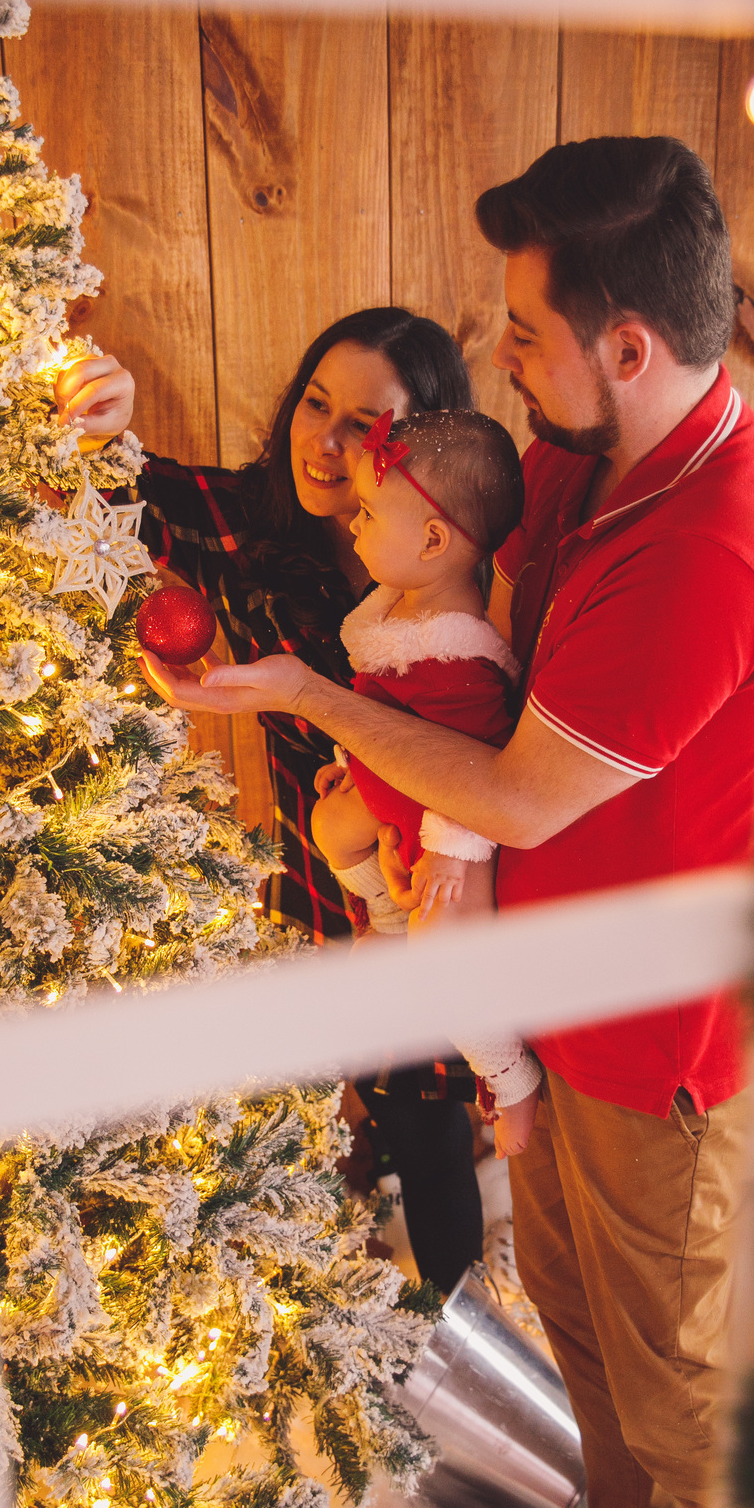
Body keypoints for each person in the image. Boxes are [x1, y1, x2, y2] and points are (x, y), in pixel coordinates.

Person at [138, 137, 754, 1508]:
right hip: (542, 998)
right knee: (572, 1314)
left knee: (669, 1365)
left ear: (628, 346)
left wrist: (311, 701)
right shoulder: (582, 453)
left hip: (646, 1035)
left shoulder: (709, 549)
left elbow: (512, 791)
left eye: (523, 331)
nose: (494, 354)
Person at [54, 308, 486, 1296]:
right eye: (314, 405)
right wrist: (102, 421)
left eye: (362, 423)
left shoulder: (461, 563)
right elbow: (118, 491)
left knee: (428, 1113)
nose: (324, 443)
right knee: (350, 1099)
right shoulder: (248, 522)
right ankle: (358, 1288)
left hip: (441, 884)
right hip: (321, 882)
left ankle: (464, 1330)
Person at [310, 408, 542, 1155]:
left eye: (371, 512)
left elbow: (473, 757)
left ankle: (509, 1082)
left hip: (452, 833)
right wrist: (350, 766)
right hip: (396, 802)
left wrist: (445, 851)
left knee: (445, 955)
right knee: (331, 824)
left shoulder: (456, 654)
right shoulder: (402, 615)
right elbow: (384, 716)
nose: (353, 523)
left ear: (434, 541)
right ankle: (379, 918)